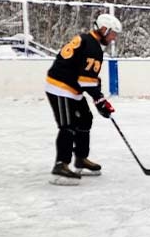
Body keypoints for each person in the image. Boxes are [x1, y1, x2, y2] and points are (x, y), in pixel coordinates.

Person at [45, 13, 121, 184]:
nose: (114, 37)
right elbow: (85, 80)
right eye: (112, 33)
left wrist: (99, 99)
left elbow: (89, 78)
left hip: (72, 88)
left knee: (85, 119)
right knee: (68, 126)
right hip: (60, 88)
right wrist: (100, 100)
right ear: (103, 29)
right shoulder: (92, 47)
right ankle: (61, 166)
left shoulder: (90, 42)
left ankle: (80, 158)